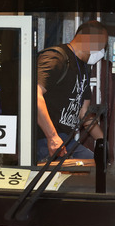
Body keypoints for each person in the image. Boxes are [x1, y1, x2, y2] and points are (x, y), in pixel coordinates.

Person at [36, 20, 107, 161]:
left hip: (65, 140)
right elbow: (33, 96)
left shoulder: (84, 69)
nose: (101, 51)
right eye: (100, 45)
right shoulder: (56, 58)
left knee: (96, 166)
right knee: (86, 174)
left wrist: (104, 144)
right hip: (43, 138)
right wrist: (52, 137)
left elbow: (85, 114)